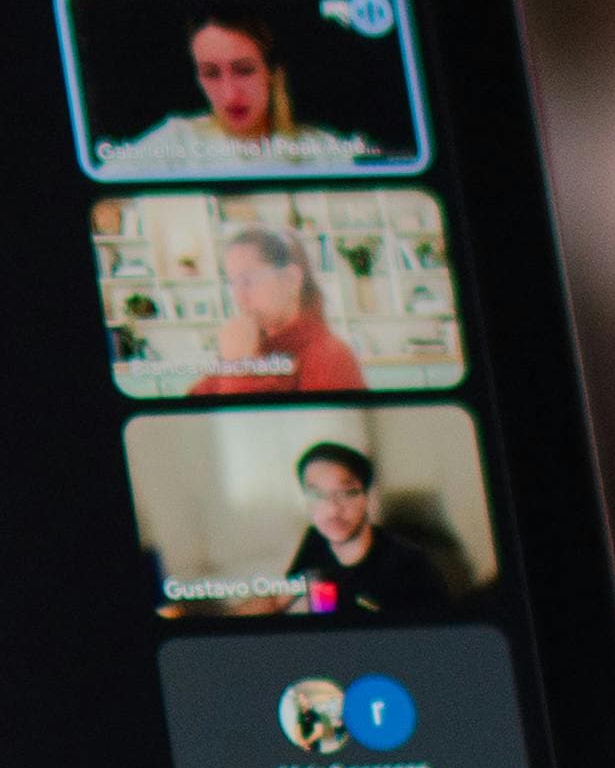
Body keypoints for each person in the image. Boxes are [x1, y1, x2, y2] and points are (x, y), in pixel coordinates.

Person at [94, 8, 378, 178]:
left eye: (244, 70)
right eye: (211, 74)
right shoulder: (177, 140)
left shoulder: (324, 150)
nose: (230, 94)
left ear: (273, 73)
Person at [243, 438, 458, 625]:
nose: (332, 509)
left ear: (367, 498)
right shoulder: (316, 539)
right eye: (317, 495)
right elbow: (280, 599)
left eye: (346, 493)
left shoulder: (408, 566)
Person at [189, 223, 367, 398]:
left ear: (291, 279)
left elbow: (251, 427)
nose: (239, 298)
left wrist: (240, 368)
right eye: (233, 283)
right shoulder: (252, 345)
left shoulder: (330, 358)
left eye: (248, 281)